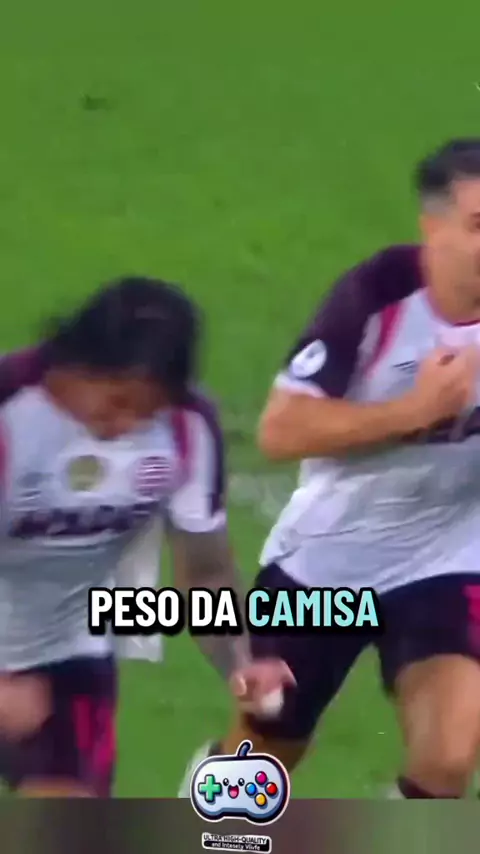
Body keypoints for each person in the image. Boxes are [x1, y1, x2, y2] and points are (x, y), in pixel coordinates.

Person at [179, 138, 480, 800]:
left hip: (445, 559)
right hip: (325, 566)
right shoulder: (377, 296)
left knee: (449, 759)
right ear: (433, 228)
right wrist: (416, 411)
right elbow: (281, 430)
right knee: (258, 768)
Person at [0, 276, 293, 798]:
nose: (128, 425)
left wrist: (243, 664)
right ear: (81, 361)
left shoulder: (186, 430)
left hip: (67, 658)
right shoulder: (11, 413)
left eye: (147, 412)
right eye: (118, 402)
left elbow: (205, 573)